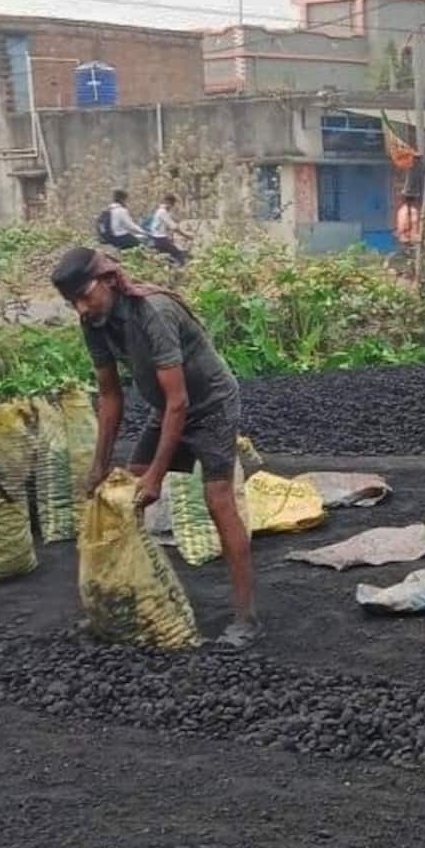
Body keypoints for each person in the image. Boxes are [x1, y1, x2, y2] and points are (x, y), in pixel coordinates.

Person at [51, 246, 259, 653]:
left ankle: (246, 618)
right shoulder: (93, 322)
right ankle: (121, 605)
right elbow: (110, 397)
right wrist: (98, 465)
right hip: (166, 409)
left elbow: (180, 401)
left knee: (218, 501)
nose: (81, 308)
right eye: (72, 302)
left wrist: (157, 476)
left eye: (85, 296)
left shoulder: (154, 312)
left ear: (108, 281)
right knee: (124, 496)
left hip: (211, 405)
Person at [146, 193, 191, 267]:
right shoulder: (163, 212)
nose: (172, 206)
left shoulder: (160, 211)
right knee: (178, 253)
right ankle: (183, 268)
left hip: (156, 238)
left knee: (164, 258)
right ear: (169, 202)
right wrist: (186, 235)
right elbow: (174, 227)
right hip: (160, 238)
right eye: (172, 203)